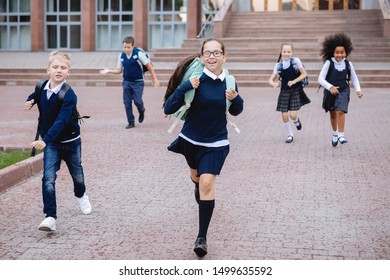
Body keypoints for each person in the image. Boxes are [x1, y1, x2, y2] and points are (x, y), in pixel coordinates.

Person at [163, 38, 244, 258]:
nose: (212, 56)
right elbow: (168, 107)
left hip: (216, 143)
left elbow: (236, 111)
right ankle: (196, 185)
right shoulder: (194, 80)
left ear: (224, 57)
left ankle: (201, 238)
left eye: (216, 53)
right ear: (201, 57)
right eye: (207, 53)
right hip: (190, 141)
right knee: (197, 179)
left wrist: (236, 99)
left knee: (207, 183)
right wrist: (186, 86)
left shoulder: (230, 81)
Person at [25, 51, 92, 232]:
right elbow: (35, 95)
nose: (59, 70)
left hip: (70, 141)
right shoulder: (41, 87)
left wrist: (44, 140)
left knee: (77, 175)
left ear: (68, 72)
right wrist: (30, 100)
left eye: (63, 68)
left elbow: (61, 120)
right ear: (48, 70)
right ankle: (50, 217)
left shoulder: (69, 95)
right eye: (55, 67)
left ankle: (81, 195)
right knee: (48, 178)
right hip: (52, 143)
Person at [99, 36, 160, 129]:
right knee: (127, 103)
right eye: (124, 47)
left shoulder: (138, 54)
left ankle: (142, 111)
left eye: (128, 47)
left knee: (137, 101)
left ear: (132, 46)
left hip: (138, 82)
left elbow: (149, 66)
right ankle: (131, 122)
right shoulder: (121, 56)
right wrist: (109, 70)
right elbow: (119, 70)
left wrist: (154, 78)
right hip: (126, 82)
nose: (126, 49)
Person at [318, 33, 362, 147]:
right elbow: (320, 79)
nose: (339, 54)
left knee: (341, 111)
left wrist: (358, 89)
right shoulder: (328, 63)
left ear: (346, 52)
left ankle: (341, 135)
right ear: (333, 52)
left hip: (343, 90)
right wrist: (330, 87)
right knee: (333, 114)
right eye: (337, 52)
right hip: (330, 91)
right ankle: (335, 134)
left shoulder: (348, 64)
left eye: (342, 52)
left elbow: (354, 77)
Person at [268, 43, 310, 143]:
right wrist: (273, 84)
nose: (286, 54)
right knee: (284, 115)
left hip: (295, 90)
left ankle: (296, 120)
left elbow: (304, 74)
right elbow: (270, 79)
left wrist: (294, 81)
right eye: (284, 51)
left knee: (293, 115)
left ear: (292, 52)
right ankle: (290, 134)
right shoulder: (278, 65)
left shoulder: (296, 61)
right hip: (284, 92)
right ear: (281, 52)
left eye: (288, 52)